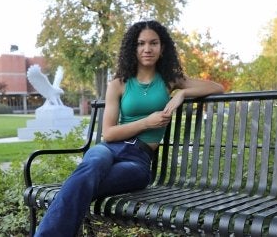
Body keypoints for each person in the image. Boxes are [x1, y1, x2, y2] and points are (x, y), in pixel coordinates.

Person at [34, 20, 225, 236]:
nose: (147, 48)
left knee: (82, 183)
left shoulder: (169, 80)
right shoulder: (119, 83)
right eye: (141, 43)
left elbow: (217, 87)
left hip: (138, 160)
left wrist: (182, 93)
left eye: (153, 43)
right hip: (109, 148)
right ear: (132, 49)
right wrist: (147, 122)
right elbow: (109, 133)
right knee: (93, 165)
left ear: (162, 48)